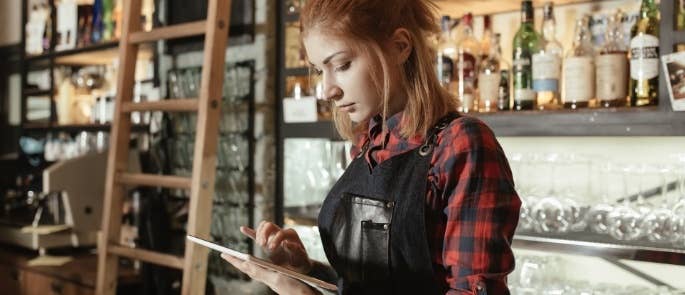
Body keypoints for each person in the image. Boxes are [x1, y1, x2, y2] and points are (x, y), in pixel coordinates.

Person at [222, 0, 521, 294]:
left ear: (400, 46)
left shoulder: (461, 144)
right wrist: (306, 272)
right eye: (318, 70)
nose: (327, 90)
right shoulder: (368, 143)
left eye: (341, 65)